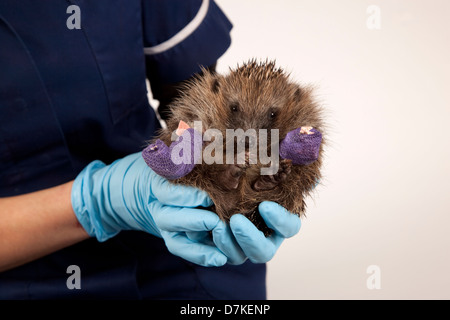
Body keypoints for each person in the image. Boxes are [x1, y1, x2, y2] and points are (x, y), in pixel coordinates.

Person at [0, 0, 301, 299]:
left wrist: (242, 169)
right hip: (28, 280)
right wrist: (99, 202)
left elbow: (196, 93)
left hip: (180, 238)